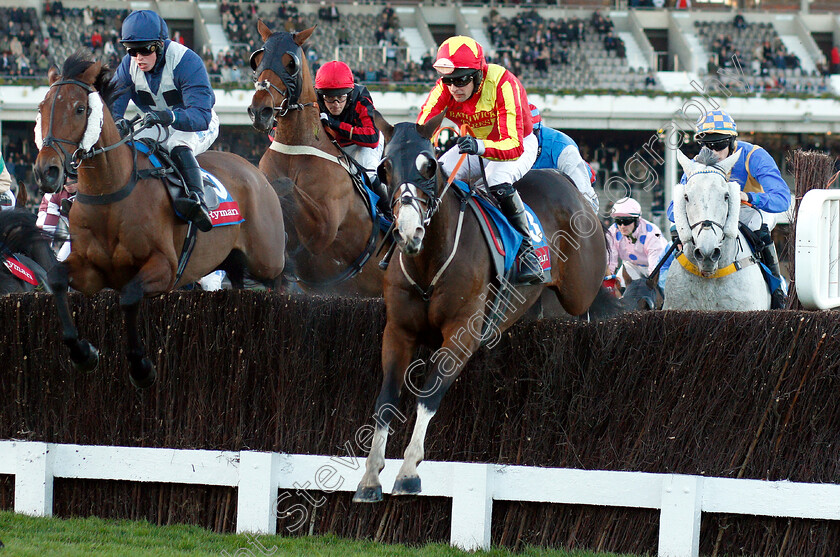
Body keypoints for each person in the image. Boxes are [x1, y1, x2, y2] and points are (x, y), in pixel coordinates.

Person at [416, 36, 542, 284]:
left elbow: (512, 144)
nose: (454, 88)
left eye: (461, 80)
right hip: (475, 145)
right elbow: (422, 128)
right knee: (436, 174)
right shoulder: (445, 88)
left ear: (478, 75)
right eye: (448, 81)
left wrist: (478, 146)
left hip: (517, 143)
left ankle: (528, 252)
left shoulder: (504, 83)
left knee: (497, 179)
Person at [667, 109, 791, 308]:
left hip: (750, 209)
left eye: (720, 144)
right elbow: (672, 210)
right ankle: (662, 283)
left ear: (732, 142)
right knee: (676, 230)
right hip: (711, 216)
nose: (713, 152)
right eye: (707, 146)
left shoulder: (754, 155)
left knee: (759, 225)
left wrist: (748, 197)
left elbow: (782, 199)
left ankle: (776, 289)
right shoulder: (696, 165)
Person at [110, 9, 216, 232]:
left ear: (159, 45)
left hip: (195, 121)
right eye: (131, 50)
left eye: (145, 49)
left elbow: (201, 116)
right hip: (156, 122)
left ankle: (198, 201)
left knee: (178, 145)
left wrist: (170, 116)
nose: (138, 57)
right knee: (126, 145)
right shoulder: (127, 66)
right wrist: (117, 122)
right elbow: (113, 108)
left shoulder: (186, 62)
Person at [314, 60, 389, 218]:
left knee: (368, 173)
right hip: (337, 146)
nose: (335, 104)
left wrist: (335, 124)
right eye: (329, 98)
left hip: (364, 145)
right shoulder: (314, 100)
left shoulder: (361, 97)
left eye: (340, 97)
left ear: (349, 93)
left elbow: (372, 138)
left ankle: (389, 215)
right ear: (321, 96)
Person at [529, 104, 599, 213]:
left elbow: (586, 199)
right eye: (519, 134)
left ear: (538, 129)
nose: (525, 141)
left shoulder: (563, 148)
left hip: (576, 190)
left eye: (529, 134)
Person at [607, 197, 669, 289]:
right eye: (618, 221)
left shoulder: (652, 233)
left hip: (659, 268)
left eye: (627, 221)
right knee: (619, 287)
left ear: (637, 220)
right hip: (632, 265)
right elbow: (611, 262)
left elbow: (655, 266)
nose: (622, 226)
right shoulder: (612, 232)